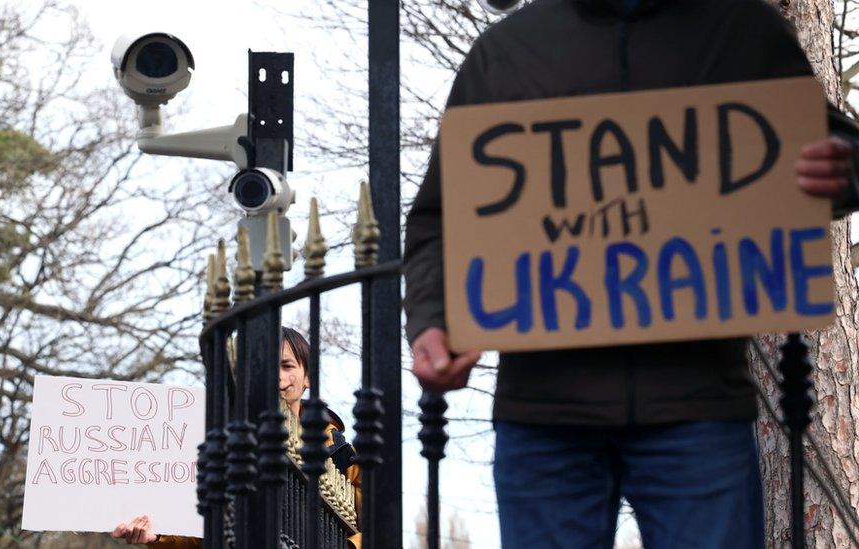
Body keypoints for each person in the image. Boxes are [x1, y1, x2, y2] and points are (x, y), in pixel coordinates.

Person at [403, 1, 859, 548]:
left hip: (696, 407)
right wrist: (433, 319)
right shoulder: (503, 52)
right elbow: (439, 215)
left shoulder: (745, 30)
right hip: (547, 414)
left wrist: (845, 163)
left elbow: (827, 142)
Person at [112, 327, 362, 548]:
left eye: (286, 366)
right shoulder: (223, 440)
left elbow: (379, 529)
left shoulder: (340, 454)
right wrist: (158, 538)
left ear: (308, 376)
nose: (276, 376)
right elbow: (207, 530)